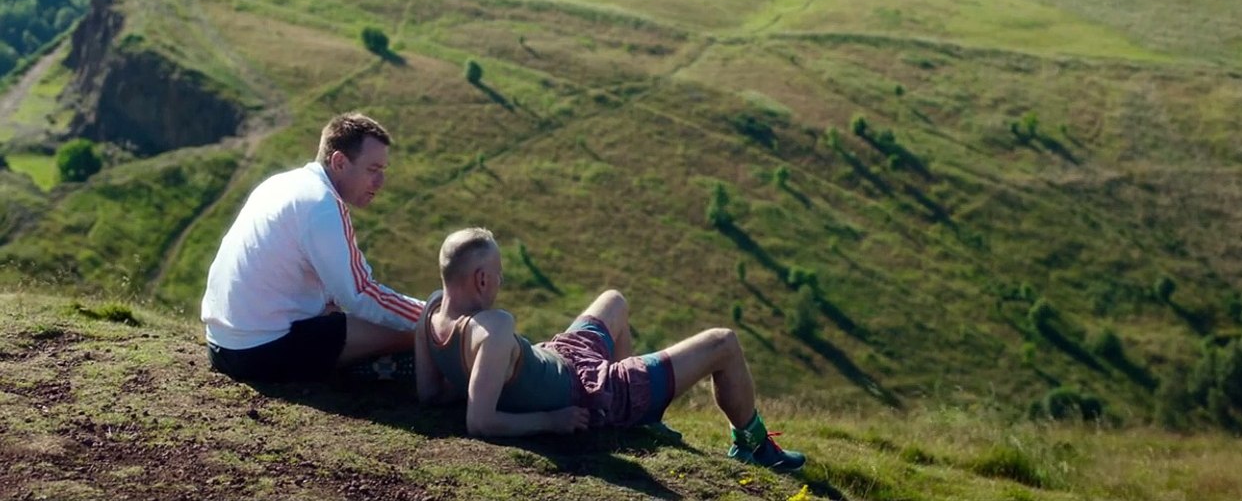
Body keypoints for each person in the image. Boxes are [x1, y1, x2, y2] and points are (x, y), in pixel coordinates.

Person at [414, 227, 806, 472]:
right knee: (724, 343)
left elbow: (431, 393)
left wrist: (479, 378)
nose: (500, 281)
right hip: (591, 392)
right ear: (482, 279)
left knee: (613, 300)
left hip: (562, 356)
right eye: (498, 273)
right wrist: (552, 421)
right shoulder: (495, 327)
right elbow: (479, 424)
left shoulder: (430, 311)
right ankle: (754, 445)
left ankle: (638, 416)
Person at [201, 111, 434, 383]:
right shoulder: (322, 204)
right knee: (419, 331)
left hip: (220, 345)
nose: (380, 182)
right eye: (373, 170)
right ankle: (376, 369)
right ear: (339, 162)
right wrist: (437, 314)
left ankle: (355, 361)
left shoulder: (280, 184)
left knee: (349, 315)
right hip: (260, 354)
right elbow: (361, 293)